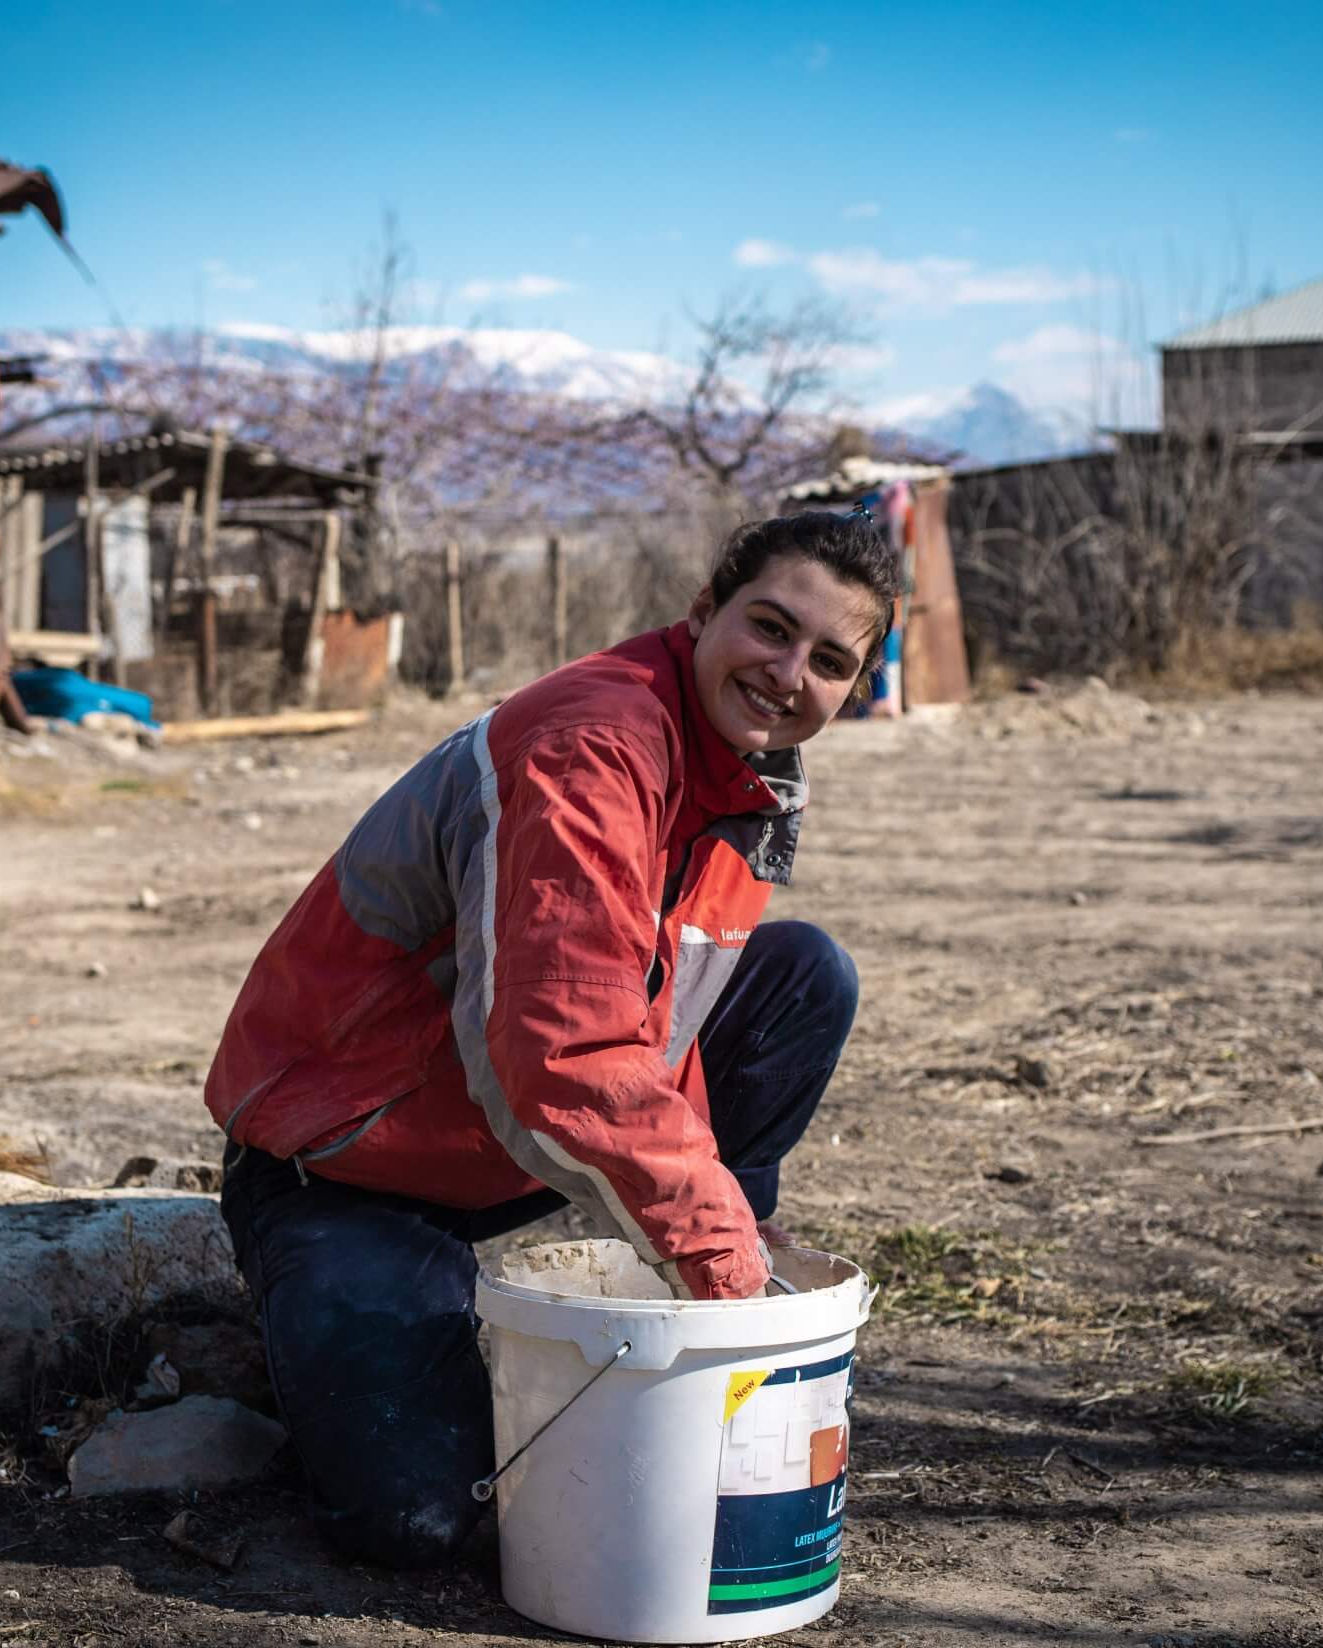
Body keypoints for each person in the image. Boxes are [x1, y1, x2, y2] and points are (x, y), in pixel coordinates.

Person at [203, 509, 904, 1568]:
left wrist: (711, 1245)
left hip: (504, 1137)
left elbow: (661, 1010)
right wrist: (723, 1274)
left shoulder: (744, 769)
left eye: (828, 661)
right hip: (351, 1157)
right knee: (415, 1524)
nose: (787, 672)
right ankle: (343, 1317)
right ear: (704, 609)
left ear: (851, 694)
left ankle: (699, 1320)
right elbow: (566, 1056)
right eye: (769, 626)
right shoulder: (594, 745)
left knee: (804, 977)